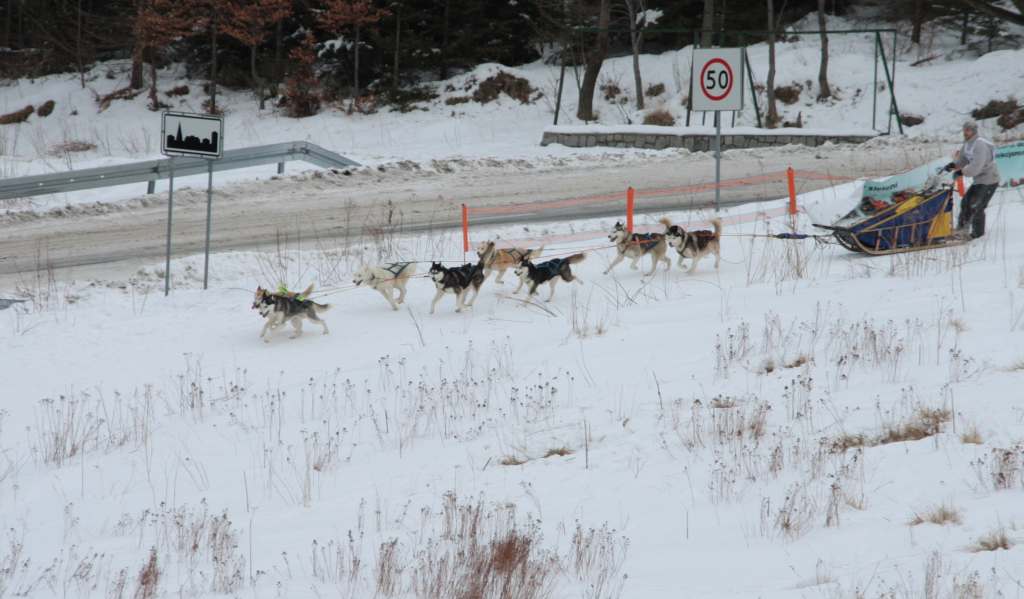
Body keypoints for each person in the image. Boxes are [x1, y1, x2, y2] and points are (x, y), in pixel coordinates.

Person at [944, 120, 1001, 239]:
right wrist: (953, 165)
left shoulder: (980, 145)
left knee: (976, 205)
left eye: (968, 130)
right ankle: (961, 229)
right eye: (964, 130)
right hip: (979, 179)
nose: (965, 132)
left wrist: (962, 171)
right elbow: (962, 160)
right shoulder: (967, 144)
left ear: (974, 131)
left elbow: (976, 166)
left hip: (989, 179)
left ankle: (977, 234)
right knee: (966, 202)